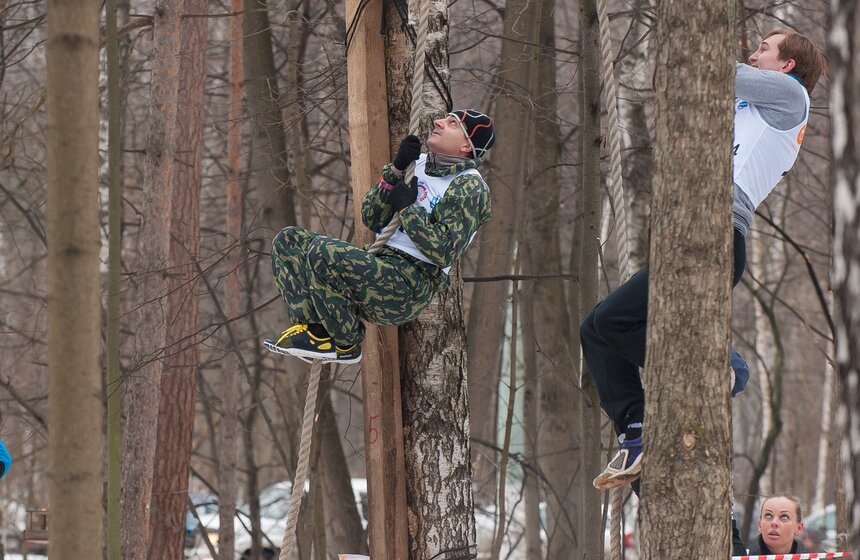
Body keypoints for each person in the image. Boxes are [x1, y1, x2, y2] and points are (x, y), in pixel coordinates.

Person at [581, 28, 828, 491]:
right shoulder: (750, 107)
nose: (753, 55)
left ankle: (727, 367)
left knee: (612, 321)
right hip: (691, 231)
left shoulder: (790, 95)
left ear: (788, 65)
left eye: (764, 49)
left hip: (718, 234)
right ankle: (635, 430)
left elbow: (712, 69)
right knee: (595, 329)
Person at [264, 109, 495, 364]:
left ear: (466, 146)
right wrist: (395, 170)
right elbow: (372, 217)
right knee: (289, 241)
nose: (439, 122)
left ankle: (345, 343)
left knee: (322, 252)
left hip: (409, 283)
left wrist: (408, 210)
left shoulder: (470, 186)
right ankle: (315, 332)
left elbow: (444, 250)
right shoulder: (417, 164)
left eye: (452, 123)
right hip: (381, 263)